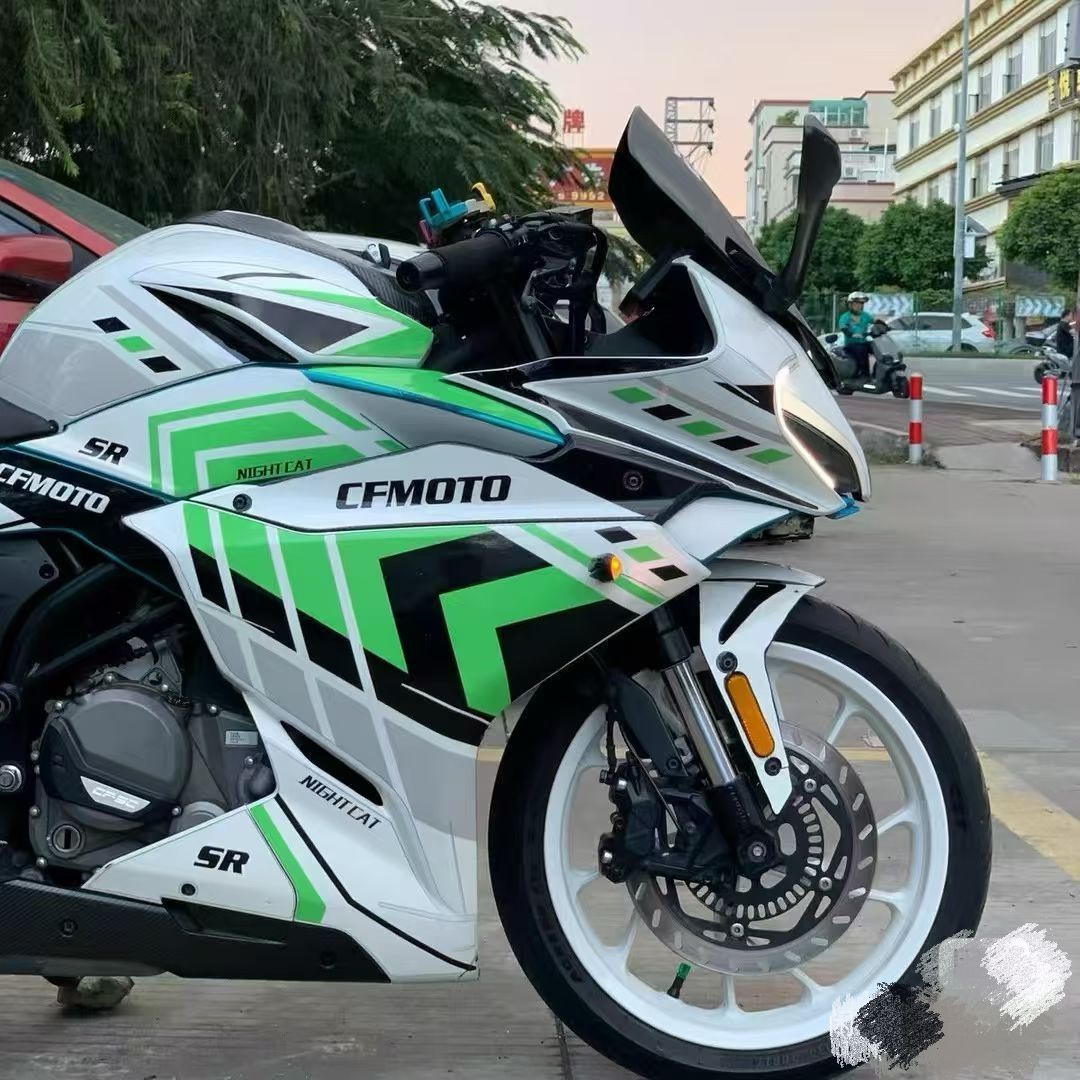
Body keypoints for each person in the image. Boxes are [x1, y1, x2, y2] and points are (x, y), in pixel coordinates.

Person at [838, 292, 873, 377]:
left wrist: (883, 325)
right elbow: (844, 329)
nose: (859, 305)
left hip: (864, 342)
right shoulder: (845, 317)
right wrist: (852, 334)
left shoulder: (866, 316)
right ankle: (863, 374)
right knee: (861, 349)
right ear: (850, 304)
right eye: (857, 303)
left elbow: (874, 322)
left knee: (877, 347)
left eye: (861, 303)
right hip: (851, 344)